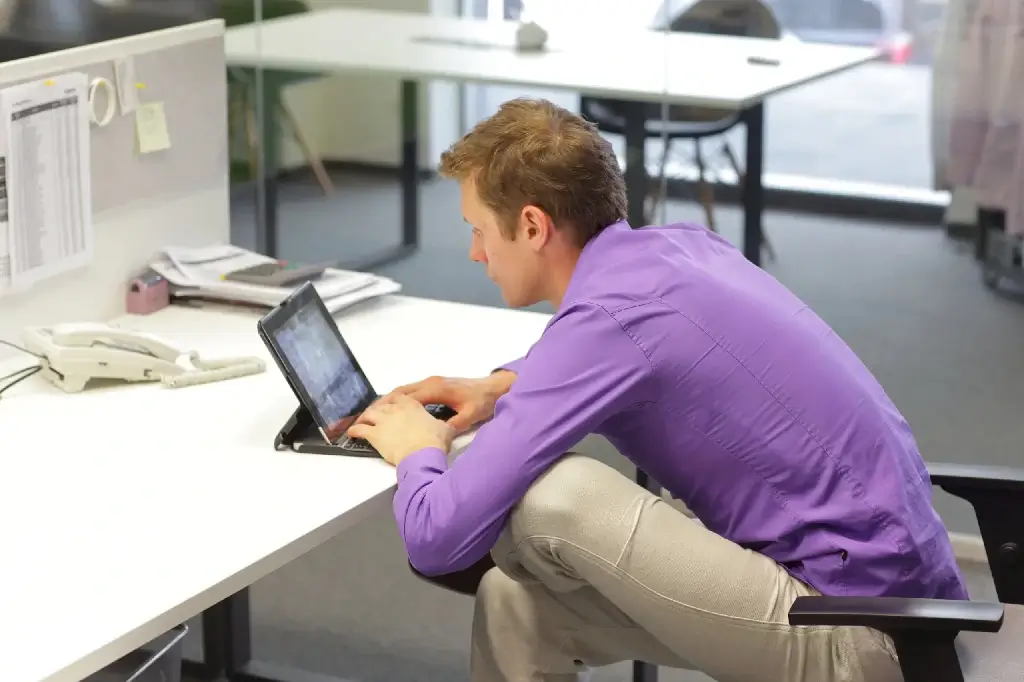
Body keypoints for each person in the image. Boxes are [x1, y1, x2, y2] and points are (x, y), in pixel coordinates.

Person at [345, 98, 967, 682]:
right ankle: (502, 532)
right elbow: (617, 348)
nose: (475, 252)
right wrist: (502, 387)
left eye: (479, 229)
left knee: (551, 496)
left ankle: (495, 520)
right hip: (912, 602)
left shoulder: (607, 324)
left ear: (532, 226)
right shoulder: (678, 249)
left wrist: (418, 451)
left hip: (860, 633)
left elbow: (433, 544)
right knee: (515, 604)